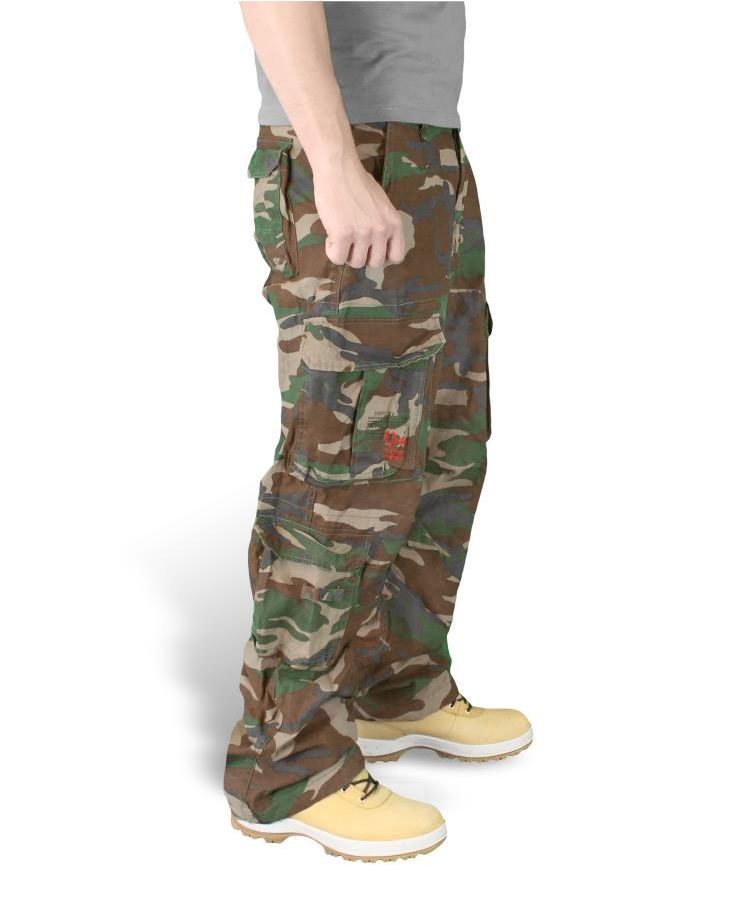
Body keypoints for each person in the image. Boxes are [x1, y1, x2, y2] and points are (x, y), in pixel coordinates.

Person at [225, 1, 532, 861]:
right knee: (347, 464)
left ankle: (393, 684)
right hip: (356, 148)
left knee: (443, 439)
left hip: (425, 145)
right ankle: (286, 764)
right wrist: (333, 161)